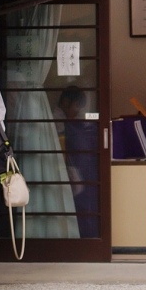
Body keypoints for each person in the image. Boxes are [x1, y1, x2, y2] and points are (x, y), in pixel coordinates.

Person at [57, 86, 99, 238]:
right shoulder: (88, 123)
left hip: (81, 169)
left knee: (82, 207)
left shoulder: (77, 123)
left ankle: (85, 237)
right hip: (86, 169)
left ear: (68, 102)